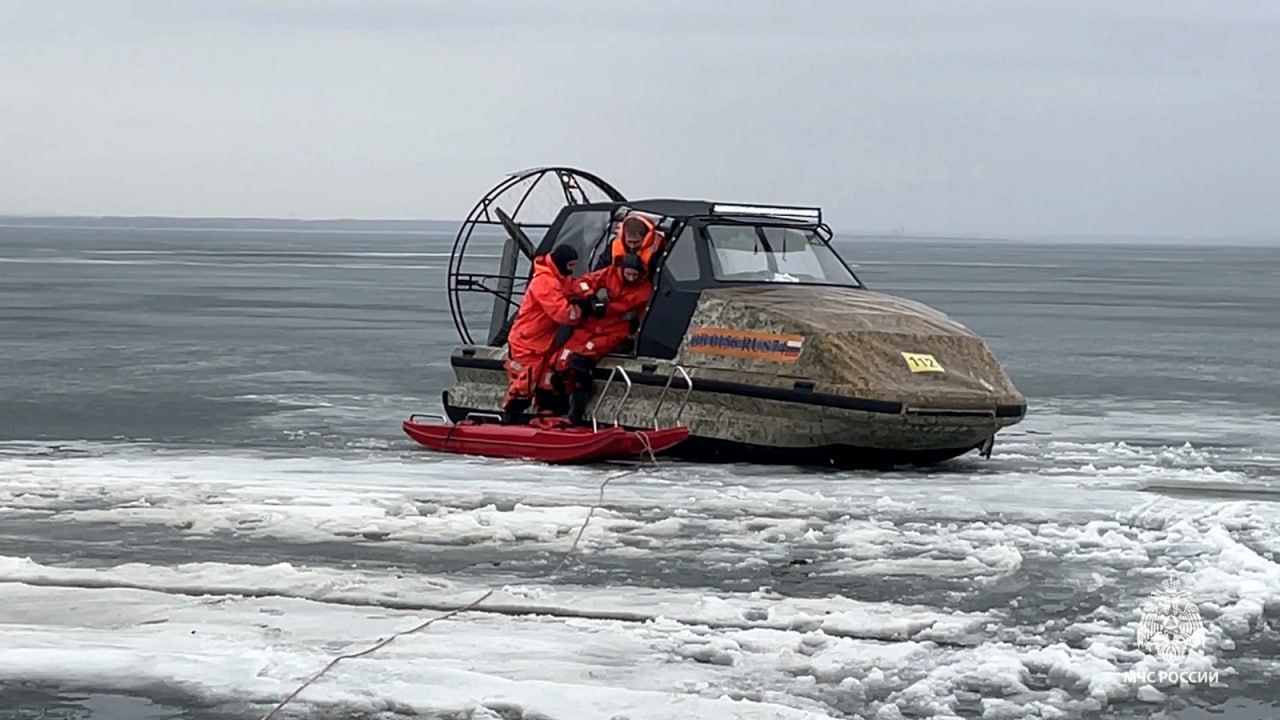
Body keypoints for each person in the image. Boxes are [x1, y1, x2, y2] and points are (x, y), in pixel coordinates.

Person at [550, 252, 653, 425]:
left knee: (581, 361)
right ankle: (557, 409)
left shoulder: (643, 288)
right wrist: (590, 297)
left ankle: (577, 410)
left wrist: (604, 307)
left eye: (635, 275)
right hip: (589, 327)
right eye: (629, 274)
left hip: (613, 331)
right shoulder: (608, 273)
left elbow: (625, 305)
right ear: (622, 270)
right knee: (559, 363)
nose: (632, 278)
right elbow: (582, 283)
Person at [502, 243, 592, 424]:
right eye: (571, 266)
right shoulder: (544, 282)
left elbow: (574, 287)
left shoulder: (559, 278)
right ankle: (509, 419)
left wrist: (588, 294)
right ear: (562, 263)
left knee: (547, 380)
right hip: (527, 341)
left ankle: (546, 416)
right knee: (524, 384)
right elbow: (563, 314)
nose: (572, 270)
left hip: (543, 341)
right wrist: (582, 308)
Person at [594, 213, 663, 272]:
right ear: (624, 238)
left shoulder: (657, 249)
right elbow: (599, 270)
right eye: (629, 242)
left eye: (636, 242)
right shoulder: (613, 246)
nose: (632, 246)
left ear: (645, 238)